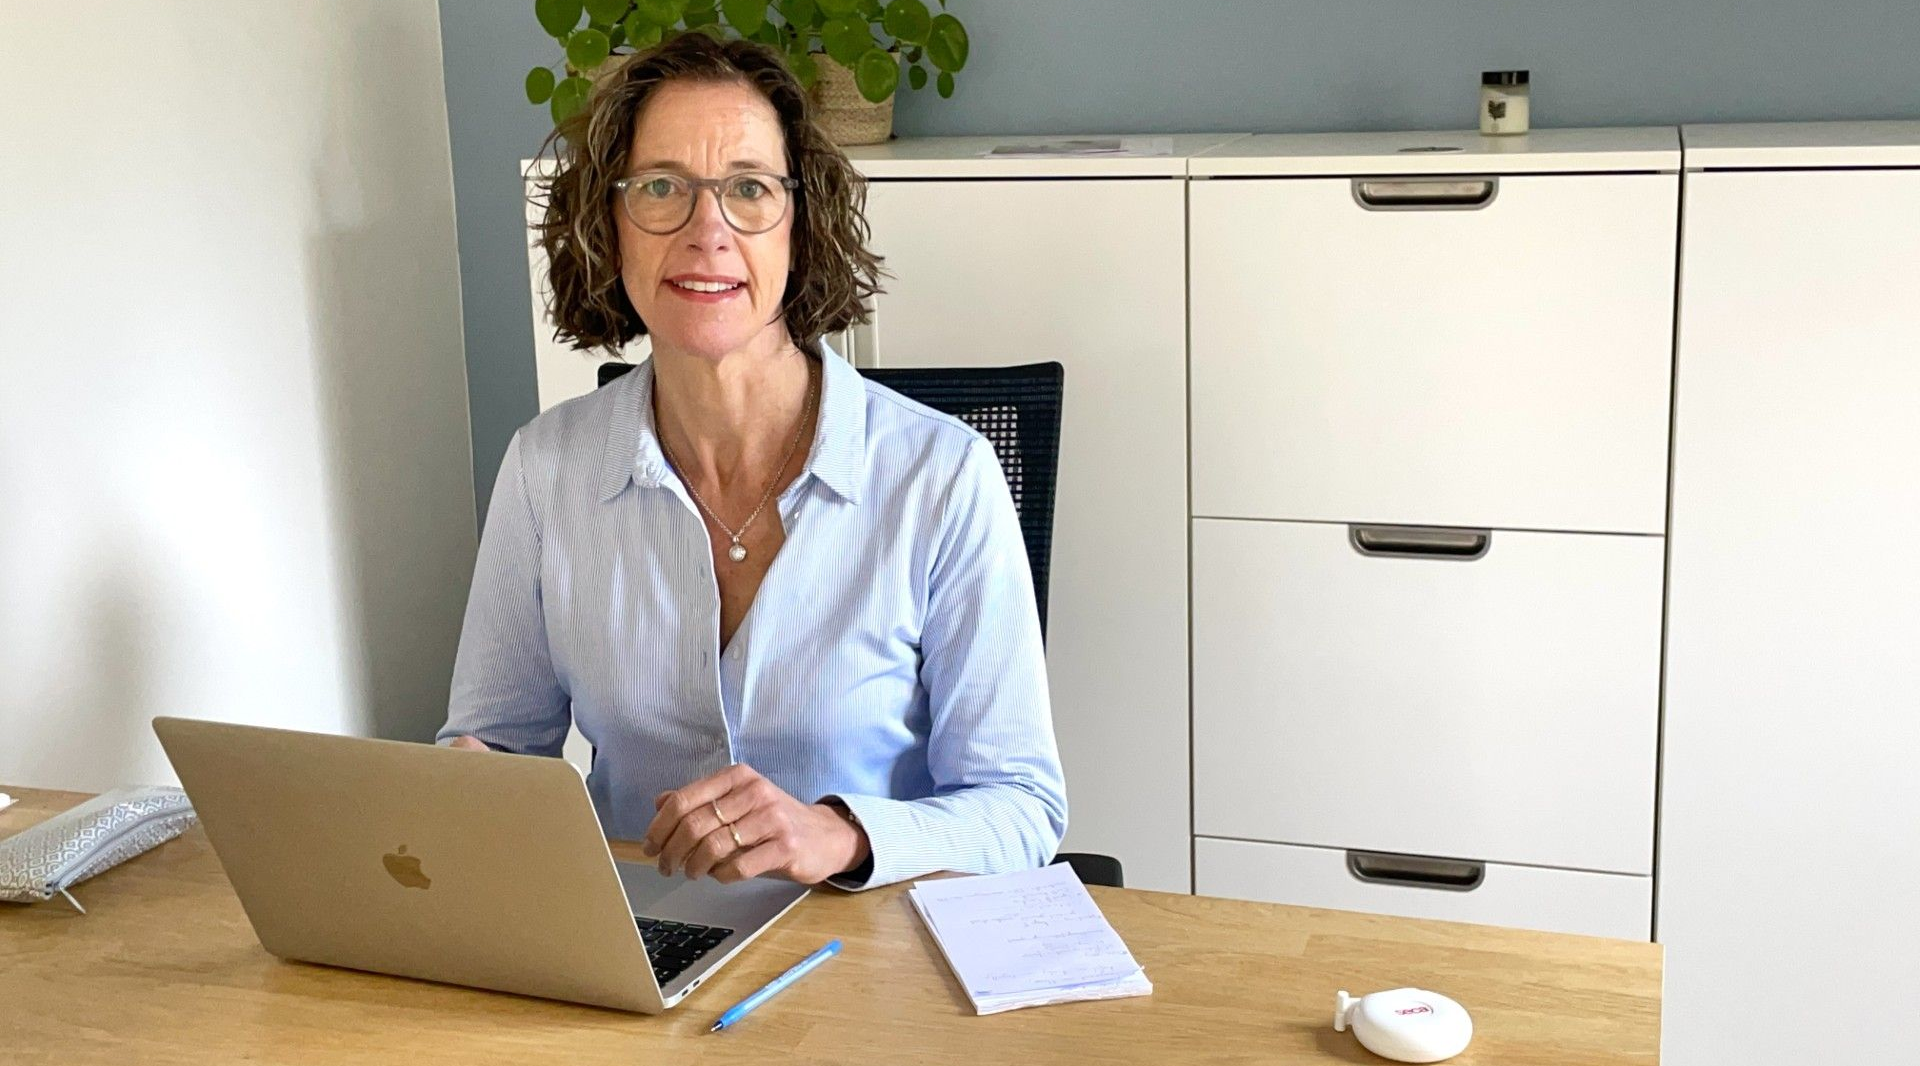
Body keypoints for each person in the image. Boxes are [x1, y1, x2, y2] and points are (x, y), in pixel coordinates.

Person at [437, 32, 1065, 891]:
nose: (708, 231)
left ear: (799, 227)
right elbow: (496, 748)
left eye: (748, 190)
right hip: (638, 945)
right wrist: (475, 781)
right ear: (607, 224)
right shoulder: (547, 470)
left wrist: (840, 836)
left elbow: (1022, 808)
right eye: (661, 188)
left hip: (873, 957)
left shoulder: (944, 476)